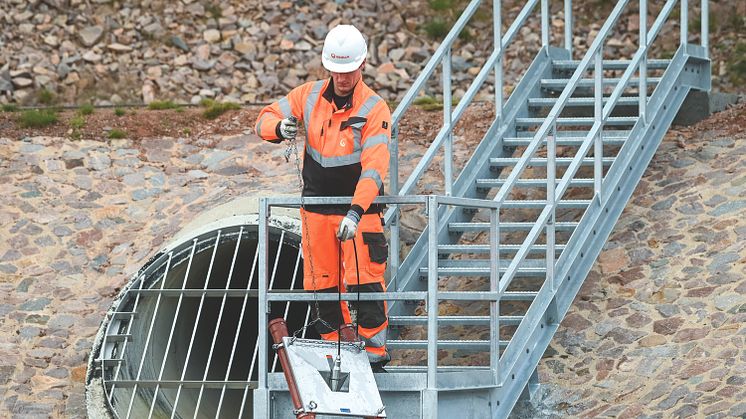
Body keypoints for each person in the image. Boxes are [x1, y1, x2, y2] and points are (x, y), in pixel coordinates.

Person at [255, 24, 391, 370]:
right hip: (315, 211)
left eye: (349, 71)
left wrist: (356, 212)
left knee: (364, 284)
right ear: (327, 67)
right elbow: (264, 117)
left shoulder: (375, 108)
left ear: (361, 66)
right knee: (322, 287)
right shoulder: (309, 96)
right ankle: (336, 353)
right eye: (337, 70)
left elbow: (374, 169)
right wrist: (278, 129)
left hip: (358, 212)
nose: (343, 78)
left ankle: (374, 356)